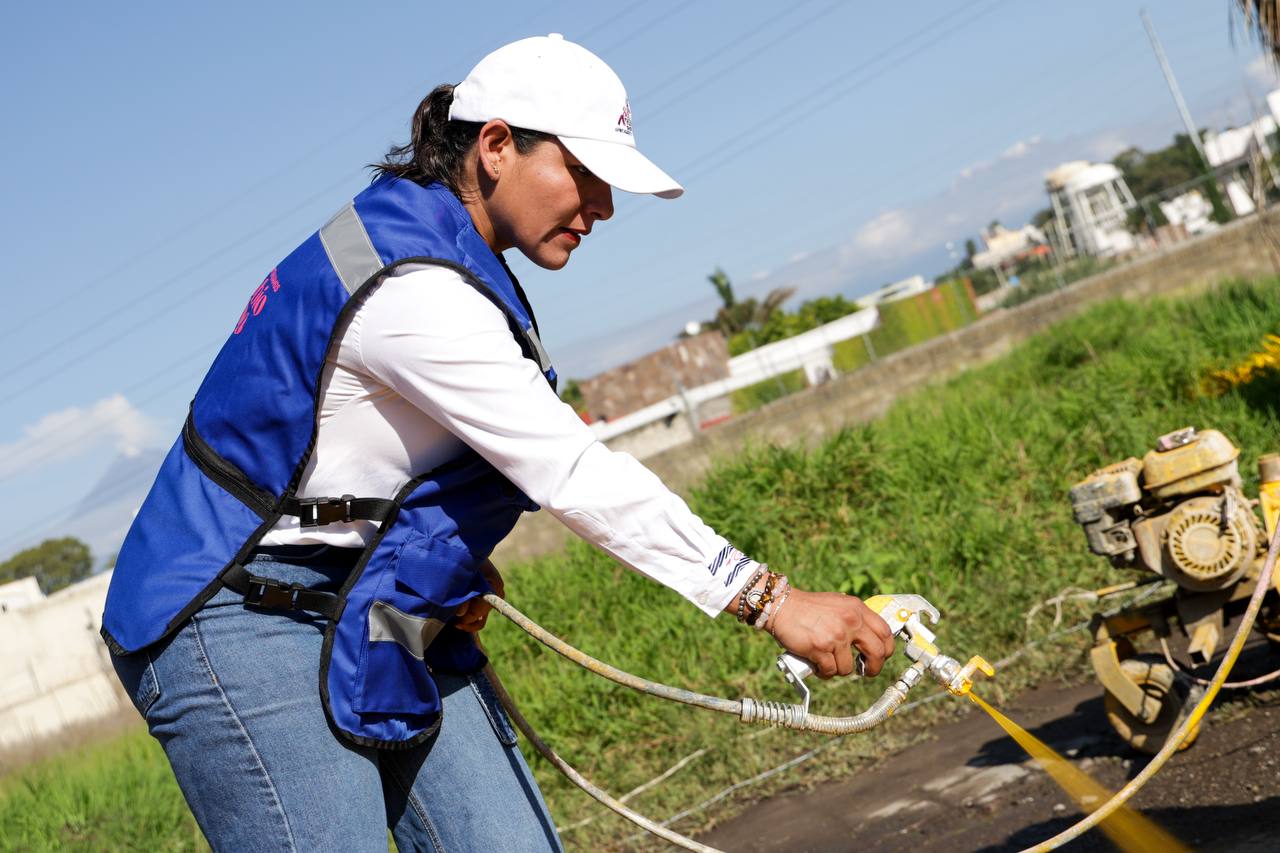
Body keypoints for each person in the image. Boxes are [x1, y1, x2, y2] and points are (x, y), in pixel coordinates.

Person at [103, 34, 895, 852]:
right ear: (494, 146)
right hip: (232, 611)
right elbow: (573, 470)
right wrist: (770, 598)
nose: (603, 207)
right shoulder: (418, 291)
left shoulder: (444, 249)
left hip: (372, 593)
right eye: (583, 174)